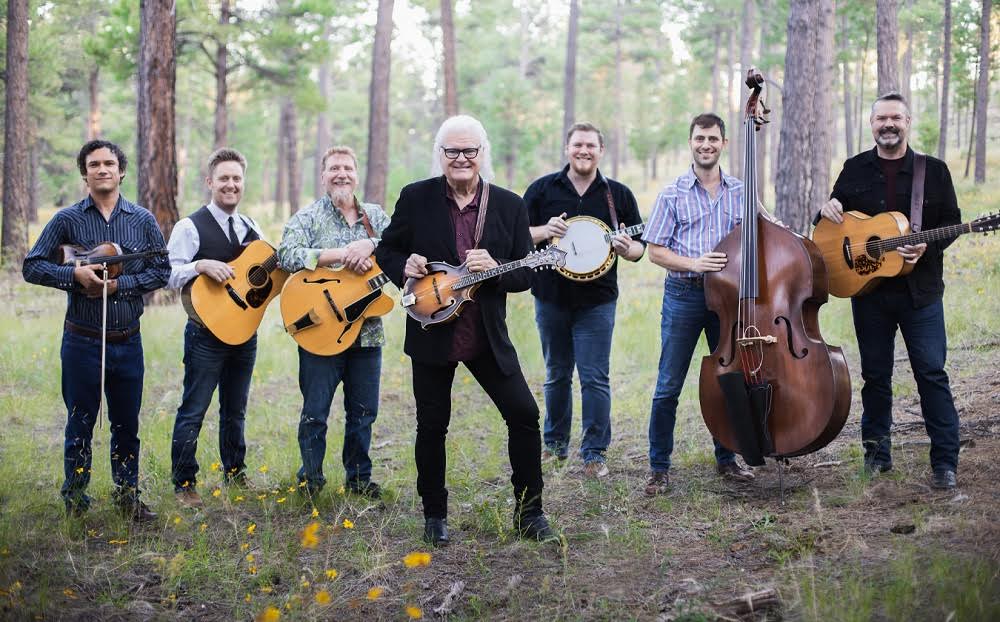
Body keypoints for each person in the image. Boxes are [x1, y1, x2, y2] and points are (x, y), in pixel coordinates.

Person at [375, 115, 555, 546]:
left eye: (469, 151)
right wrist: (405, 265)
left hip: (485, 336)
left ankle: (530, 512)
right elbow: (386, 249)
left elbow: (524, 275)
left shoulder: (509, 205)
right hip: (432, 328)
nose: (461, 158)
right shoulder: (416, 198)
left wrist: (495, 270)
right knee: (432, 425)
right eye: (452, 151)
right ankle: (434, 514)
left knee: (525, 416)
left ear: (481, 154)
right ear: (441, 155)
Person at [817, 93, 962, 489]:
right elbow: (830, 222)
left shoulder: (933, 171)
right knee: (876, 377)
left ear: (908, 121)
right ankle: (877, 457)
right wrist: (827, 207)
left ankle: (945, 462)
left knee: (931, 373)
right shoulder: (854, 168)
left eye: (895, 117)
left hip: (921, 293)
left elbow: (951, 221)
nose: (888, 125)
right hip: (870, 294)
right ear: (871, 124)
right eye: (881, 118)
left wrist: (926, 245)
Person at [23, 139, 170, 521]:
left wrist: (120, 285)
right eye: (94, 164)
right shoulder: (66, 220)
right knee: (80, 421)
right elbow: (33, 266)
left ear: (121, 171)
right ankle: (75, 500)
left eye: (109, 163)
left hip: (128, 341)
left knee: (127, 424)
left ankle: (127, 497)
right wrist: (74, 275)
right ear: (84, 173)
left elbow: (161, 270)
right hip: (82, 340)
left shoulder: (142, 220)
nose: (102, 169)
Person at [641, 113, 756, 496]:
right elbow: (654, 251)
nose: (706, 145)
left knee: (728, 378)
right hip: (684, 295)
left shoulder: (742, 190)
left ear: (724, 144)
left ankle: (727, 459)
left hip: (728, 298)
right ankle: (659, 468)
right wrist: (694, 263)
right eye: (699, 138)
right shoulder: (672, 194)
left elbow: (765, 233)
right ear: (690, 143)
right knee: (668, 385)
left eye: (713, 139)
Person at [524, 122, 644, 478]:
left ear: (600, 151)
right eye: (578, 145)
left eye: (591, 145)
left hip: (597, 301)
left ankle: (594, 453)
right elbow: (515, 236)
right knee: (556, 374)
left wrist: (627, 248)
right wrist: (545, 230)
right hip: (551, 297)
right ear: (567, 148)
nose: (584, 151)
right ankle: (555, 445)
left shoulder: (617, 195)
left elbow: (640, 248)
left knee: (594, 377)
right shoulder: (542, 190)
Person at [278, 146, 390, 500]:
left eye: (347, 168)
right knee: (315, 412)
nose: (341, 174)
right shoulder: (308, 218)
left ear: (357, 174)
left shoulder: (376, 216)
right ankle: (310, 480)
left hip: (367, 333)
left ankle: (358, 479)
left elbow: (400, 247)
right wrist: (340, 255)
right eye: (333, 168)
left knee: (364, 412)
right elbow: (287, 254)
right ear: (323, 175)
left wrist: (369, 246)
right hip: (321, 331)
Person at [166, 148, 265, 507]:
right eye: (224, 178)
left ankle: (235, 472)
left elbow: (266, 272)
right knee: (194, 408)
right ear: (210, 182)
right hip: (205, 336)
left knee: (235, 409)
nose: (231, 184)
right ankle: (184, 482)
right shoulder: (189, 227)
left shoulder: (251, 226)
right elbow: (168, 273)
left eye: (237, 178)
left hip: (244, 334)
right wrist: (201, 265)